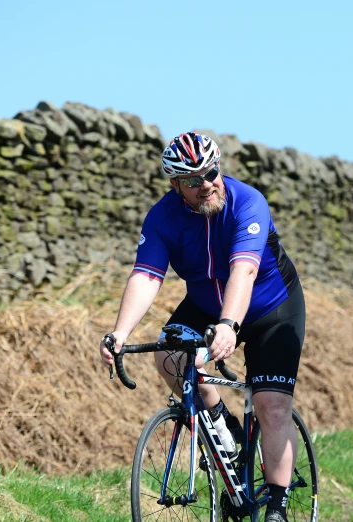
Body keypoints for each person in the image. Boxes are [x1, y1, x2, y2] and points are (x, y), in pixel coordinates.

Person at [100, 132, 306, 522]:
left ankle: (277, 507)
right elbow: (146, 276)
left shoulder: (248, 202)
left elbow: (242, 270)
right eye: (193, 181)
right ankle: (222, 426)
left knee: (270, 405)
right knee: (167, 354)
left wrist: (229, 324)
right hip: (204, 303)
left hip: (270, 306)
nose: (206, 184)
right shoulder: (163, 216)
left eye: (210, 172)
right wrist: (121, 333)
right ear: (175, 185)